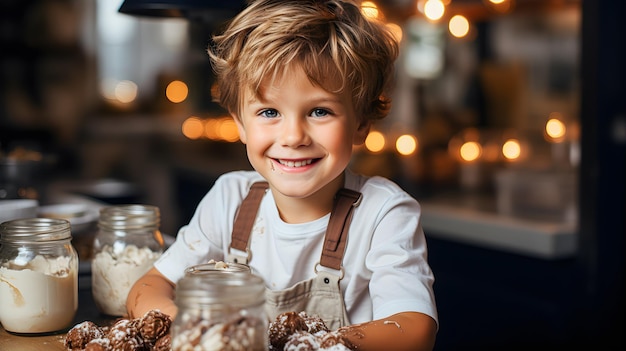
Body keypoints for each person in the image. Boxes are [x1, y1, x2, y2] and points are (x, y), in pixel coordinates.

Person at [127, 0, 438, 349]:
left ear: (361, 124)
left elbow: (414, 329)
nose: (293, 137)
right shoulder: (230, 199)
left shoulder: (383, 213)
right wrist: (189, 333)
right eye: (269, 111)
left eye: (320, 111)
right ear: (240, 123)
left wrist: (312, 343)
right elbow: (148, 288)